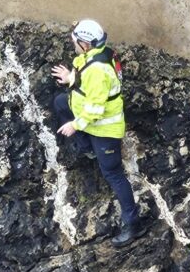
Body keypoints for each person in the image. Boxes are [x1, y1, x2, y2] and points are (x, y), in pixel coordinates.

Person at [51, 20, 148, 247]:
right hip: (93, 120)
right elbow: (91, 86)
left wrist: (75, 125)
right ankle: (88, 150)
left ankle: (133, 224)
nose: (72, 42)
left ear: (85, 44)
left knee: (113, 174)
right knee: (60, 102)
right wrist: (71, 79)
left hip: (104, 129)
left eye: (75, 40)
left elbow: (96, 107)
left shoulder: (97, 70)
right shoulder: (100, 54)